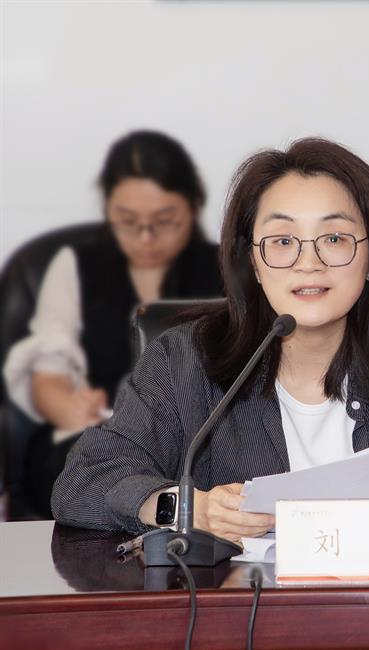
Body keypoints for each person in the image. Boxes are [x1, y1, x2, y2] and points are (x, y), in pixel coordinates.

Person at [52, 137, 369, 540]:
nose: (308, 263)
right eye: (283, 241)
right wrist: (187, 509)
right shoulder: (183, 361)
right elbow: (83, 482)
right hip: (240, 616)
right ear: (253, 261)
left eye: (333, 238)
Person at [4, 130, 224, 517]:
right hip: (92, 435)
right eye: (127, 221)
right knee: (80, 475)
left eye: (165, 221)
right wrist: (68, 406)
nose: (145, 237)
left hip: (197, 440)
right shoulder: (76, 265)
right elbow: (48, 373)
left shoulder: (228, 269)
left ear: (193, 206)